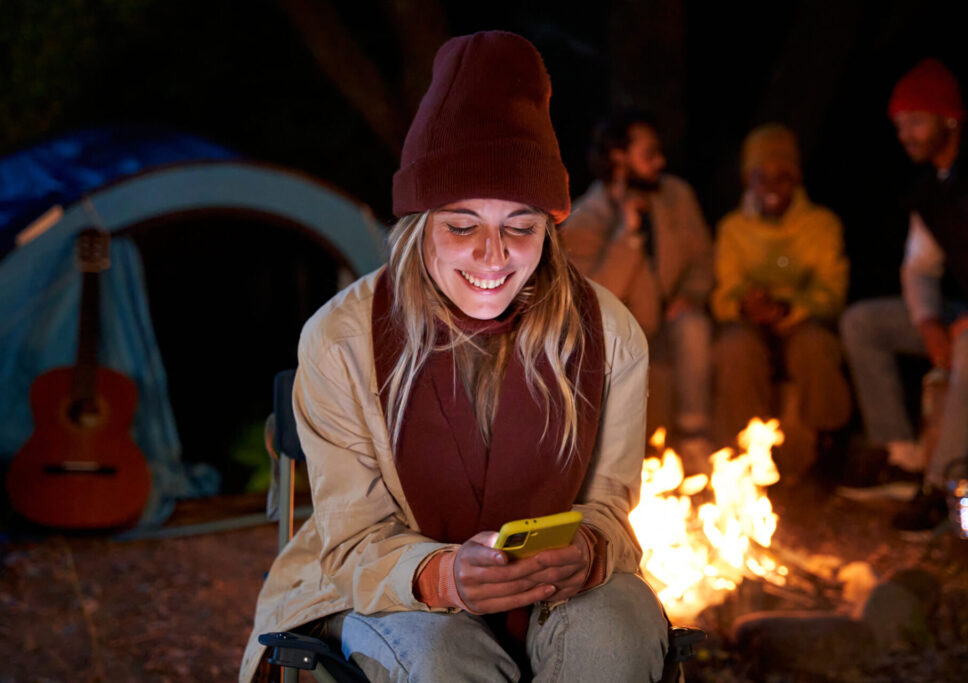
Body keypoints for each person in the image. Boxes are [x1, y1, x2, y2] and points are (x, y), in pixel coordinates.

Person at [239, 31, 667, 683]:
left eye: (520, 226)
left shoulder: (609, 332)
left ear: (549, 229)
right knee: (442, 658)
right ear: (418, 224)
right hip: (389, 586)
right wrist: (442, 574)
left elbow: (609, 503)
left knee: (611, 639)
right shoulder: (340, 338)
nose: (493, 256)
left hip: (557, 593)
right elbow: (352, 540)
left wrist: (587, 548)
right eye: (462, 225)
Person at [840, 58, 968, 531]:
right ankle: (902, 459)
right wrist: (927, 322)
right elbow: (919, 266)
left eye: (916, 121)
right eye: (900, 125)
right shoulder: (928, 189)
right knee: (864, 322)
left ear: (950, 118)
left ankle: (940, 484)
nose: (906, 134)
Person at [559, 111, 714, 458]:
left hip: (673, 323)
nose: (660, 161)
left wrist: (691, 293)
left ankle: (695, 440)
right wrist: (627, 236)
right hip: (627, 333)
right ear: (618, 156)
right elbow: (596, 297)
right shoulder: (583, 220)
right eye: (649, 153)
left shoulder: (677, 196)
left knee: (693, 326)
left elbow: (703, 259)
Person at [710, 123, 851, 460]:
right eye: (761, 176)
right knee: (735, 348)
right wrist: (748, 306)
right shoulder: (732, 229)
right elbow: (723, 293)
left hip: (802, 321)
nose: (771, 187)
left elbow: (831, 291)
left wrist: (788, 309)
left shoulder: (821, 224)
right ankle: (747, 454)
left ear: (796, 177)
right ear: (748, 180)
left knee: (813, 345)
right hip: (753, 326)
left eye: (781, 176)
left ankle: (827, 446)